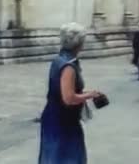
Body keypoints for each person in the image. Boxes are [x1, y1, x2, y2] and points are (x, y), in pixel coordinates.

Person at [38, 22, 101, 164]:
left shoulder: (58, 60)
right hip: (63, 121)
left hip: (55, 117)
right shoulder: (68, 66)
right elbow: (69, 98)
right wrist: (90, 94)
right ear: (79, 43)